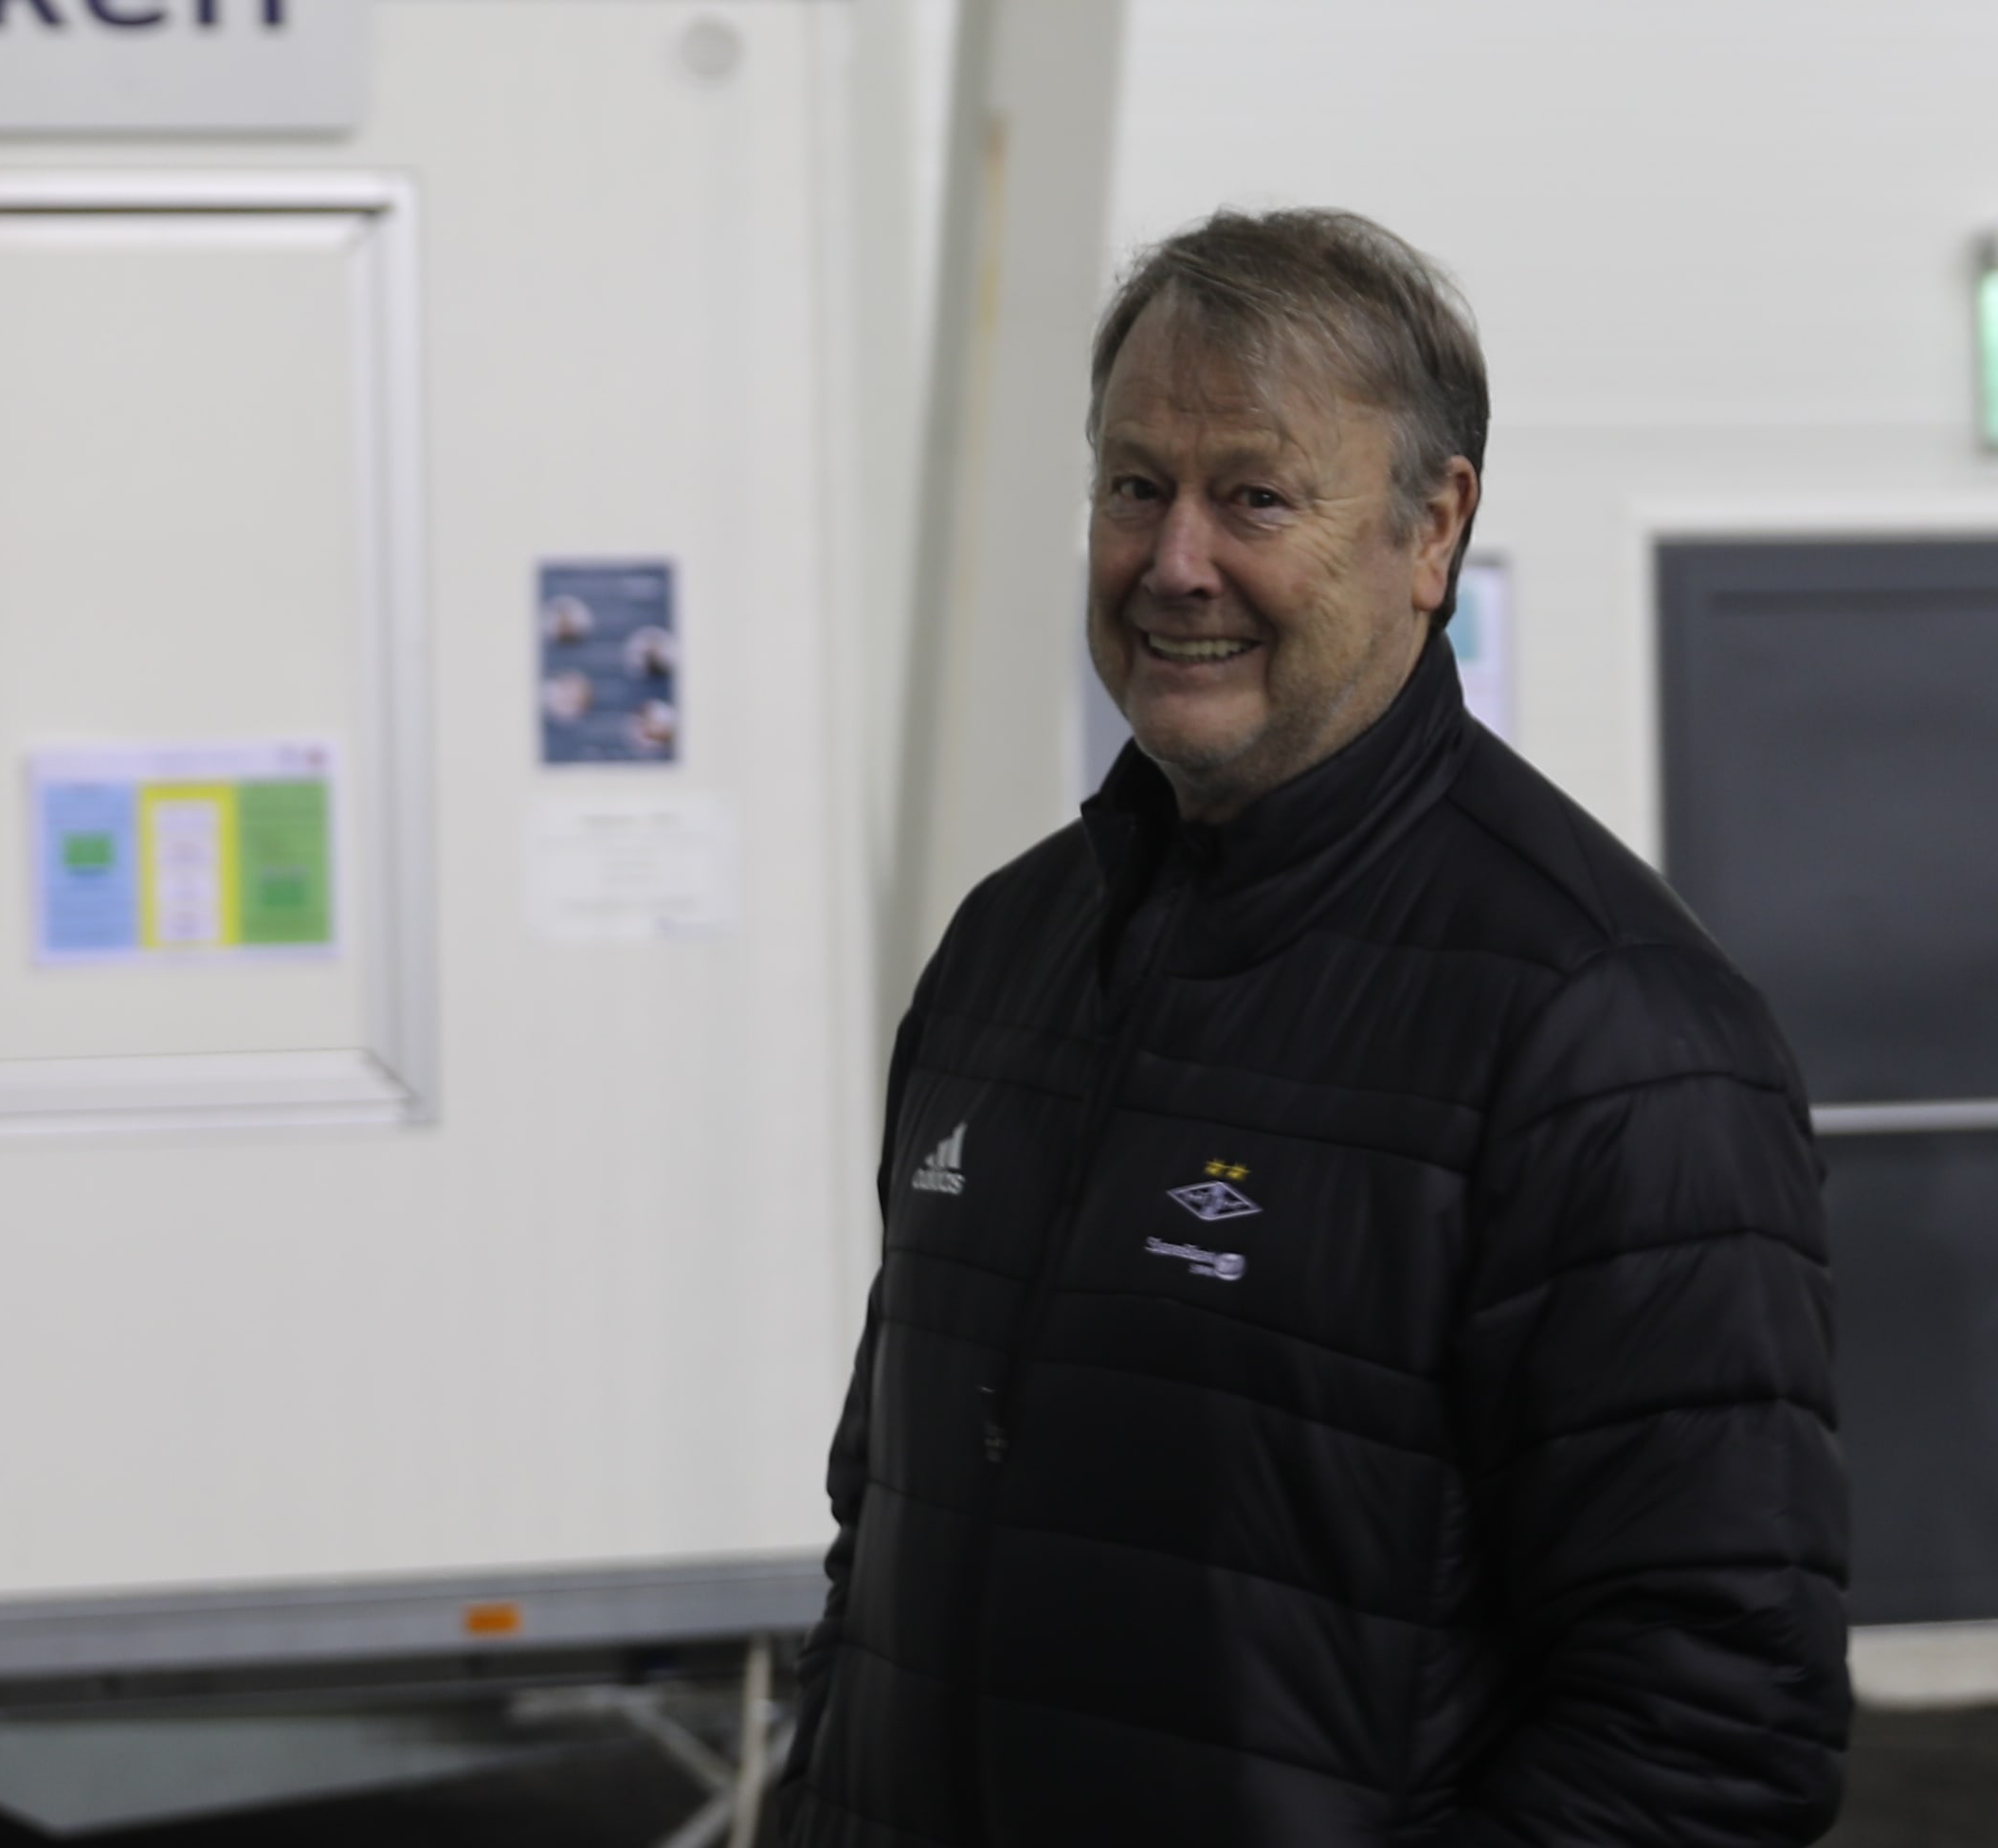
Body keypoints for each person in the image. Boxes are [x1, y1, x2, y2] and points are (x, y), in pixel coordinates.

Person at [777, 208, 1848, 1847]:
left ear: (1434, 531)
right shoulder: (1006, 952)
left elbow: (1707, 1728)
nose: (1175, 561)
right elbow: (886, 1531)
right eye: (1135, 486)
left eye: (1255, 497)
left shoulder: (1606, 1034)